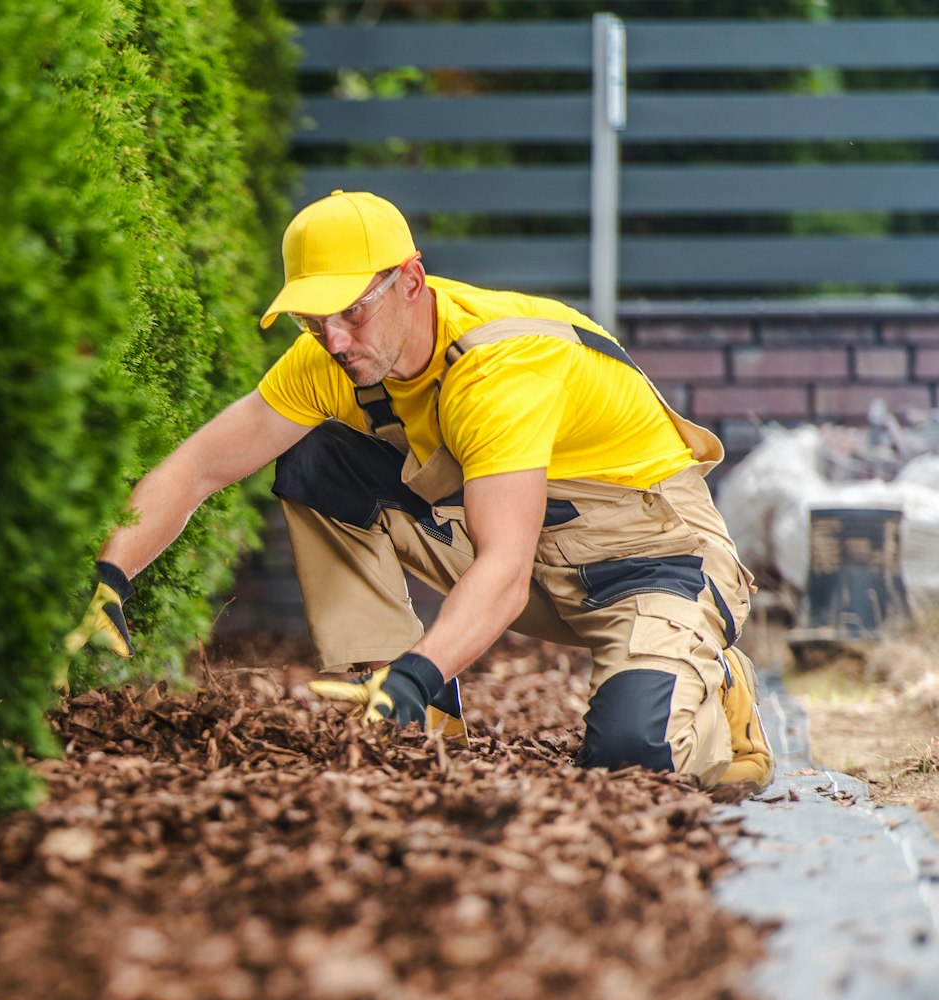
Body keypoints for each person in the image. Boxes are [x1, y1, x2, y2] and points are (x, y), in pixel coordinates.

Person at [64, 190, 772, 795]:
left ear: (409, 279)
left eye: (350, 313)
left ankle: (718, 690)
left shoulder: (502, 367)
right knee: (317, 459)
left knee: (632, 762)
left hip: (654, 564)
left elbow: (502, 571)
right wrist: (110, 574)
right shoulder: (332, 360)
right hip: (534, 558)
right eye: (314, 320)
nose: (334, 340)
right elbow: (199, 467)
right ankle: (402, 707)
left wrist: (422, 670)